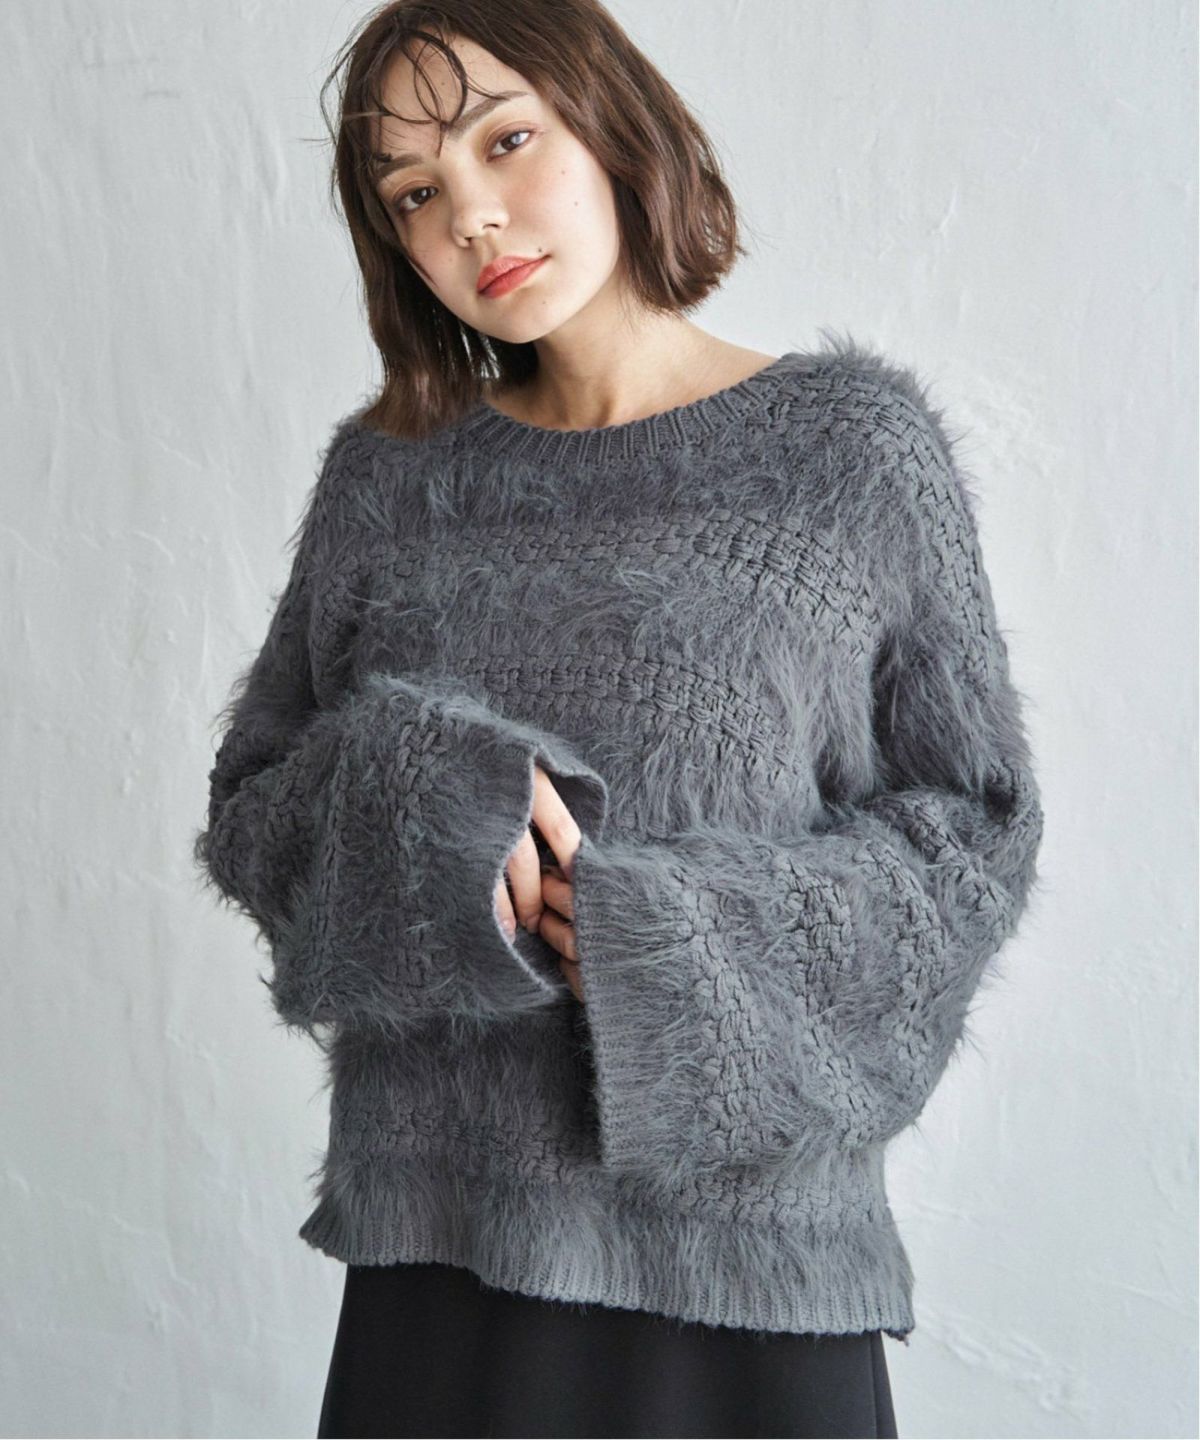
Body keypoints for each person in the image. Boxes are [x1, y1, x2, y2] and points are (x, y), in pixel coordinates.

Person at [192, 2, 1045, 1436]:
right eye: (414, 195)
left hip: (752, 1273)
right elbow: (256, 812)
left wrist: (678, 939)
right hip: (442, 1261)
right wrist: (427, 802)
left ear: (612, 122)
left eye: (504, 140)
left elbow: (975, 840)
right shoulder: (386, 479)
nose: (470, 215)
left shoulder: (849, 452)